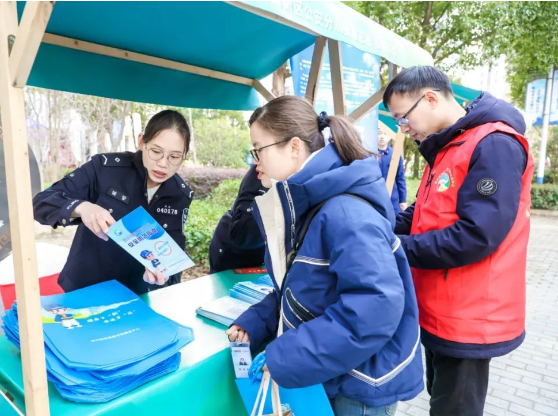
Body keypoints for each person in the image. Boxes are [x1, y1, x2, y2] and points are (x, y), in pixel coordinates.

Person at [226, 96, 423, 415]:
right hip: (337, 373)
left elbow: (373, 309)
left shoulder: (345, 212)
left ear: (294, 147)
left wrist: (286, 355)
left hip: (357, 388)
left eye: (259, 149)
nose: (255, 161)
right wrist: (258, 320)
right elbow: (305, 287)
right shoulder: (316, 201)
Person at [383, 66, 534, 416]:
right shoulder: (448, 146)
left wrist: (394, 248)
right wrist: (377, 229)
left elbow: (477, 235)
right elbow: (421, 212)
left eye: (403, 117)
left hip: (468, 315)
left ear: (430, 98)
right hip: (439, 306)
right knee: (441, 399)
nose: (403, 127)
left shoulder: (494, 144)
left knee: (455, 408)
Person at [33, 110, 193, 295]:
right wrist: (82, 207)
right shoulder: (105, 168)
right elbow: (40, 203)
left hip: (137, 296)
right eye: (156, 152)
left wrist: (161, 276)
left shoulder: (180, 194)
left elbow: (173, 260)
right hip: (84, 290)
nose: (163, 163)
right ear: (141, 142)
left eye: (174, 157)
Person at [208, 165, 267, 274]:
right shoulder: (263, 171)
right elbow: (243, 234)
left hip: (256, 249)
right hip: (235, 249)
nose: (255, 161)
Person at [377, 129, 408, 214]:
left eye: (385, 134)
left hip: (393, 200)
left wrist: (403, 200)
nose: (382, 137)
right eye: (379, 133)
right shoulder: (369, 155)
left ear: (390, 136)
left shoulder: (395, 155)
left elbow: (400, 178)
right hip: (375, 199)